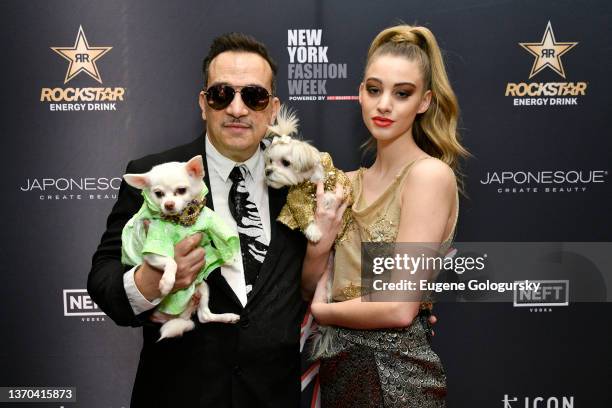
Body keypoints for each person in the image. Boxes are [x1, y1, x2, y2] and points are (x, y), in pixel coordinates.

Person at [88, 32, 329, 408]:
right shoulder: (155, 176)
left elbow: (337, 259)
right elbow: (102, 280)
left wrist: (411, 307)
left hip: (271, 396)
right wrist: (149, 283)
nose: (237, 108)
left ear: (272, 108)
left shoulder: (299, 178)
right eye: (221, 94)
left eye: (254, 96)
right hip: (178, 394)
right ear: (204, 104)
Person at [305, 24, 469, 407]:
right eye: (375, 89)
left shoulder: (427, 176)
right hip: (338, 371)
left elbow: (398, 308)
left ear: (424, 102)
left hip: (398, 376)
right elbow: (309, 285)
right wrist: (320, 247)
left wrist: (322, 311)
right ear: (360, 93)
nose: (384, 105)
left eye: (402, 93)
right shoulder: (342, 183)